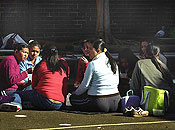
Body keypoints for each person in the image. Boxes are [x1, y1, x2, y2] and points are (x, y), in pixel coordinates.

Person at [0, 45, 70, 111]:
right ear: (16, 51)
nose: (26, 55)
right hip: (59, 104)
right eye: (24, 52)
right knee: (26, 91)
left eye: (27, 53)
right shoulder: (62, 65)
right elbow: (65, 84)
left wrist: (26, 73)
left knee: (17, 94)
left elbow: (34, 86)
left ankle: (16, 104)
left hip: (44, 98)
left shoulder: (40, 64)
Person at [70, 39, 120, 112]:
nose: (88, 51)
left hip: (99, 102)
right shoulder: (113, 62)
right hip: (116, 101)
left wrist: (75, 93)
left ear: (98, 50)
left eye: (90, 49)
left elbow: (85, 85)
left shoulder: (93, 64)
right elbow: (117, 82)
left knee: (73, 99)